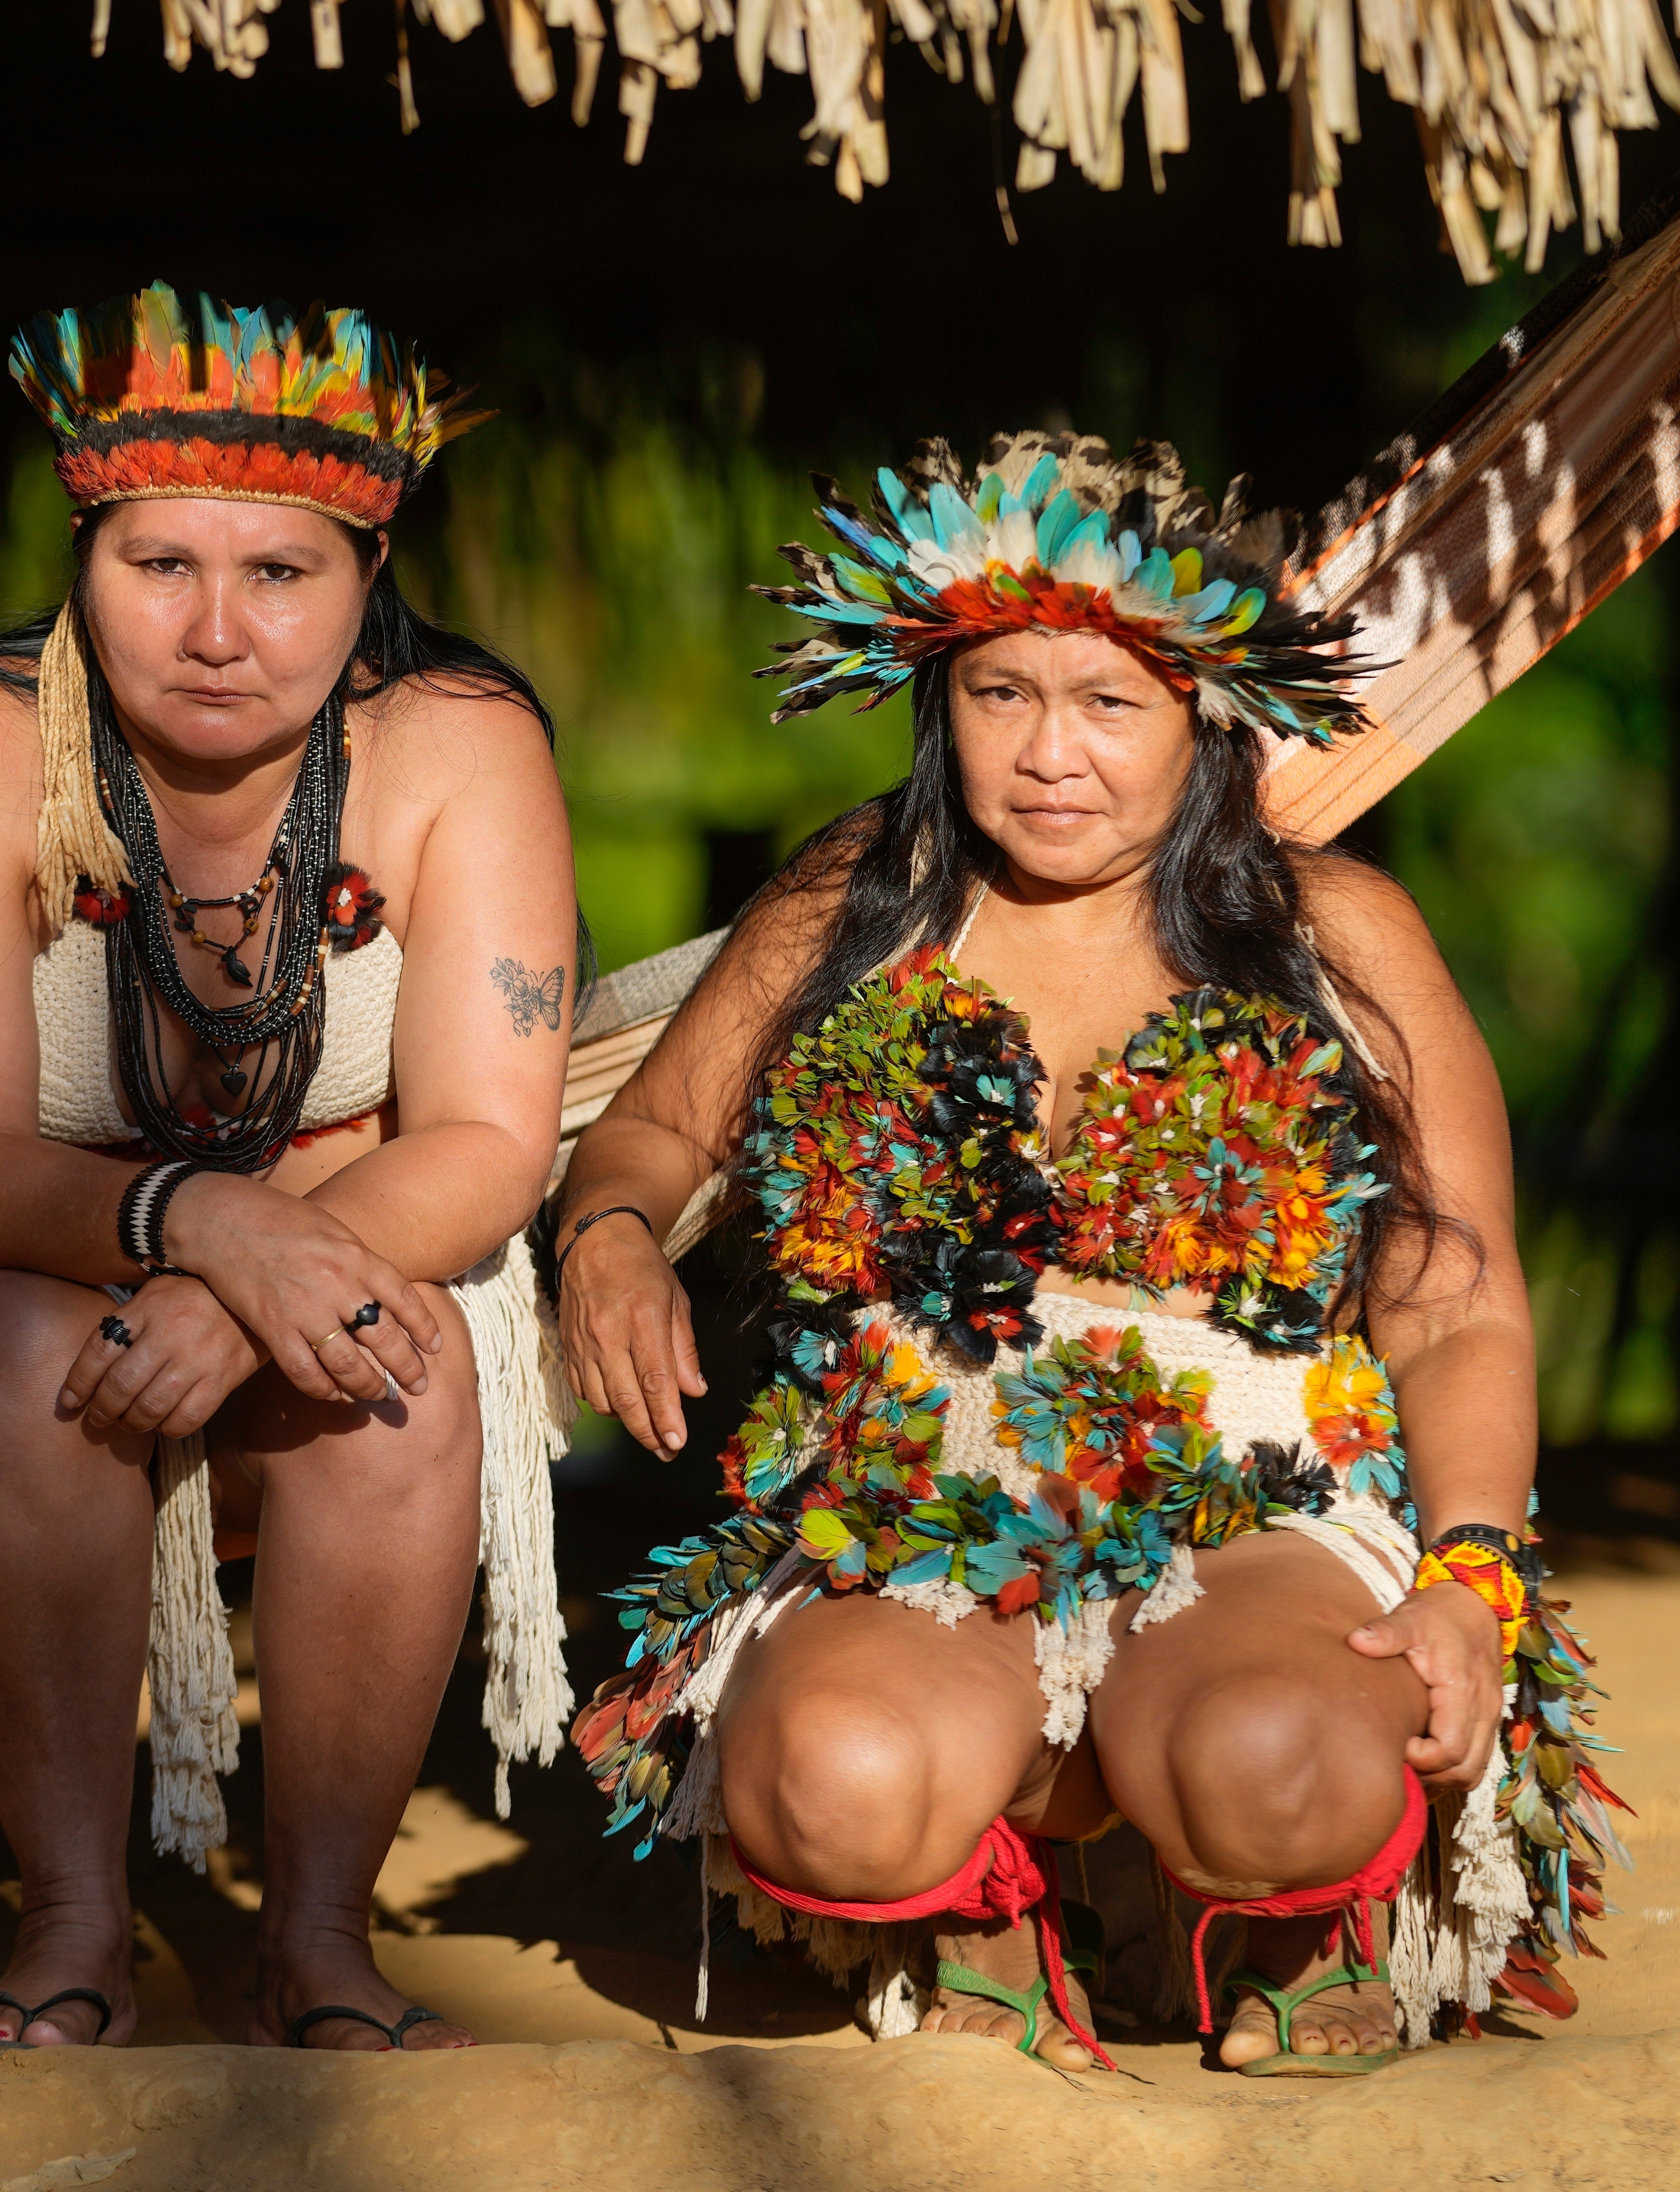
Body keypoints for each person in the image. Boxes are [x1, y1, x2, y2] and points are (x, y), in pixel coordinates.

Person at [554, 433, 1616, 2074]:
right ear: (939, 700)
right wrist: (613, 1234)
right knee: (830, 1784)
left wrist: (1471, 1570)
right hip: (914, 1497)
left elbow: (1455, 1291)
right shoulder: (861, 899)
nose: (1053, 754)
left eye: (1109, 703)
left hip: (1256, 1501)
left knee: (1277, 1768)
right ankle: (1000, 1892)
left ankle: (1268, 1901)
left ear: (1204, 713)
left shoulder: (1337, 934)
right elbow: (655, 1132)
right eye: (1002, 695)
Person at [0, 286, 579, 2057]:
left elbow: (491, 1140)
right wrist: (201, 1225)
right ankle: (72, 1926)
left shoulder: (457, 745)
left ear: (369, 564)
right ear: (83, 556)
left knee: (390, 1372)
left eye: (283, 576)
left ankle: (321, 1940)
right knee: (29, 1363)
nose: (217, 630)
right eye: (160, 565)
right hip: (28, 1279)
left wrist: (260, 1285)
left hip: (347, 1253)